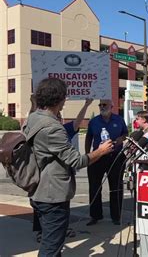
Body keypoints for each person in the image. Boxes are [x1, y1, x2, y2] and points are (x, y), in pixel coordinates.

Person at [27, 78, 113, 256]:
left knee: (51, 242)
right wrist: (101, 151)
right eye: (65, 97)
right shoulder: (53, 128)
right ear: (60, 99)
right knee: (51, 247)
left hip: (37, 189)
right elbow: (77, 161)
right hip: (52, 195)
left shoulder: (33, 118)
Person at [30, 96, 93, 242]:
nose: (57, 117)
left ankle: (58, 230)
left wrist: (86, 105)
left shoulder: (62, 130)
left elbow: (77, 122)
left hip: (55, 183)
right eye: (55, 115)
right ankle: (43, 232)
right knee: (49, 225)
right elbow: (32, 116)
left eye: (58, 116)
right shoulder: (43, 128)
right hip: (44, 181)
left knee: (57, 213)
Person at [85, 99, 128, 226]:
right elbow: (88, 137)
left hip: (115, 156)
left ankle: (116, 216)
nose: (102, 107)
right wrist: (88, 155)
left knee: (116, 187)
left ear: (111, 106)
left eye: (104, 105)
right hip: (98, 156)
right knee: (94, 187)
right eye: (100, 105)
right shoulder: (94, 121)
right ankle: (95, 215)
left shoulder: (119, 119)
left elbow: (125, 133)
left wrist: (121, 139)